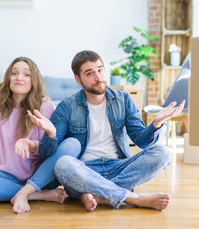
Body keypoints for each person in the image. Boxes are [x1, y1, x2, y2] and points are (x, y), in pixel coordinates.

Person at [33, 50, 185, 212]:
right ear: (78, 79)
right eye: (90, 73)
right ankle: (132, 198)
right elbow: (48, 155)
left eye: (100, 70)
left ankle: (96, 194)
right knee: (63, 164)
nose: (98, 77)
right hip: (84, 170)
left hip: (118, 166)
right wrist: (51, 134)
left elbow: (141, 140)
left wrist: (156, 122)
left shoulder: (123, 99)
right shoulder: (66, 107)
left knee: (163, 152)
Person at [0, 57, 80, 214]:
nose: (19, 78)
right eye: (14, 73)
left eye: (26, 74)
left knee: (72, 144)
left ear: (34, 80)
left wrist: (33, 144)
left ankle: (27, 191)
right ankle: (35, 195)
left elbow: (47, 152)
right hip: (5, 175)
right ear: (9, 78)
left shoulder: (44, 105)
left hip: (39, 176)